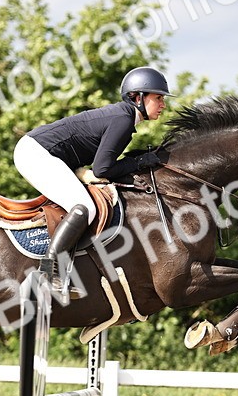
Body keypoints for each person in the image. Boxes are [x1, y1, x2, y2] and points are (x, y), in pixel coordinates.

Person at [13, 66, 173, 296]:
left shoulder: (124, 117)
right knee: (85, 207)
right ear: (138, 97)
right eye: (158, 98)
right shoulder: (123, 119)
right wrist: (139, 162)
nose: (163, 104)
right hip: (36, 153)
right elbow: (102, 169)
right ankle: (48, 274)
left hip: (43, 152)